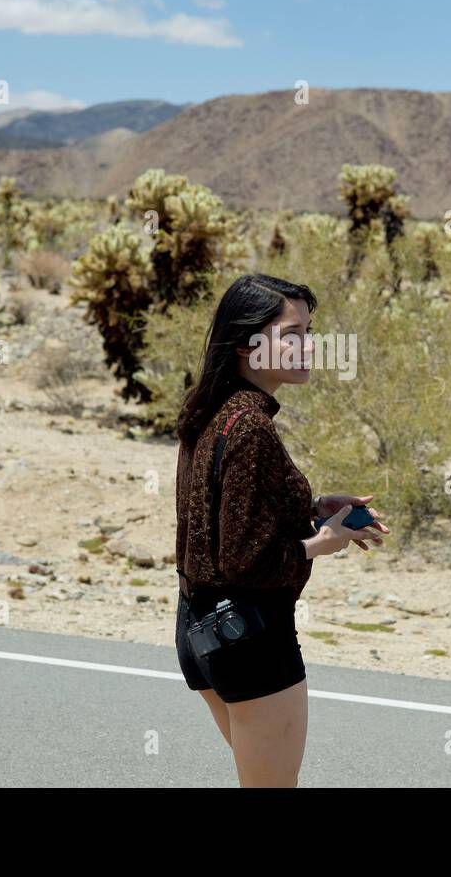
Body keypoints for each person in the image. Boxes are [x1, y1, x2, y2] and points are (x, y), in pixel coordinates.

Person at [173, 273, 390, 787]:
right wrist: (322, 543)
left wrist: (311, 506)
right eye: (292, 334)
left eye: (309, 332)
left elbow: (219, 514)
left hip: (199, 628)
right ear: (249, 342)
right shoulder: (250, 426)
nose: (308, 345)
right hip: (251, 636)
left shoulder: (212, 408)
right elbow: (245, 561)